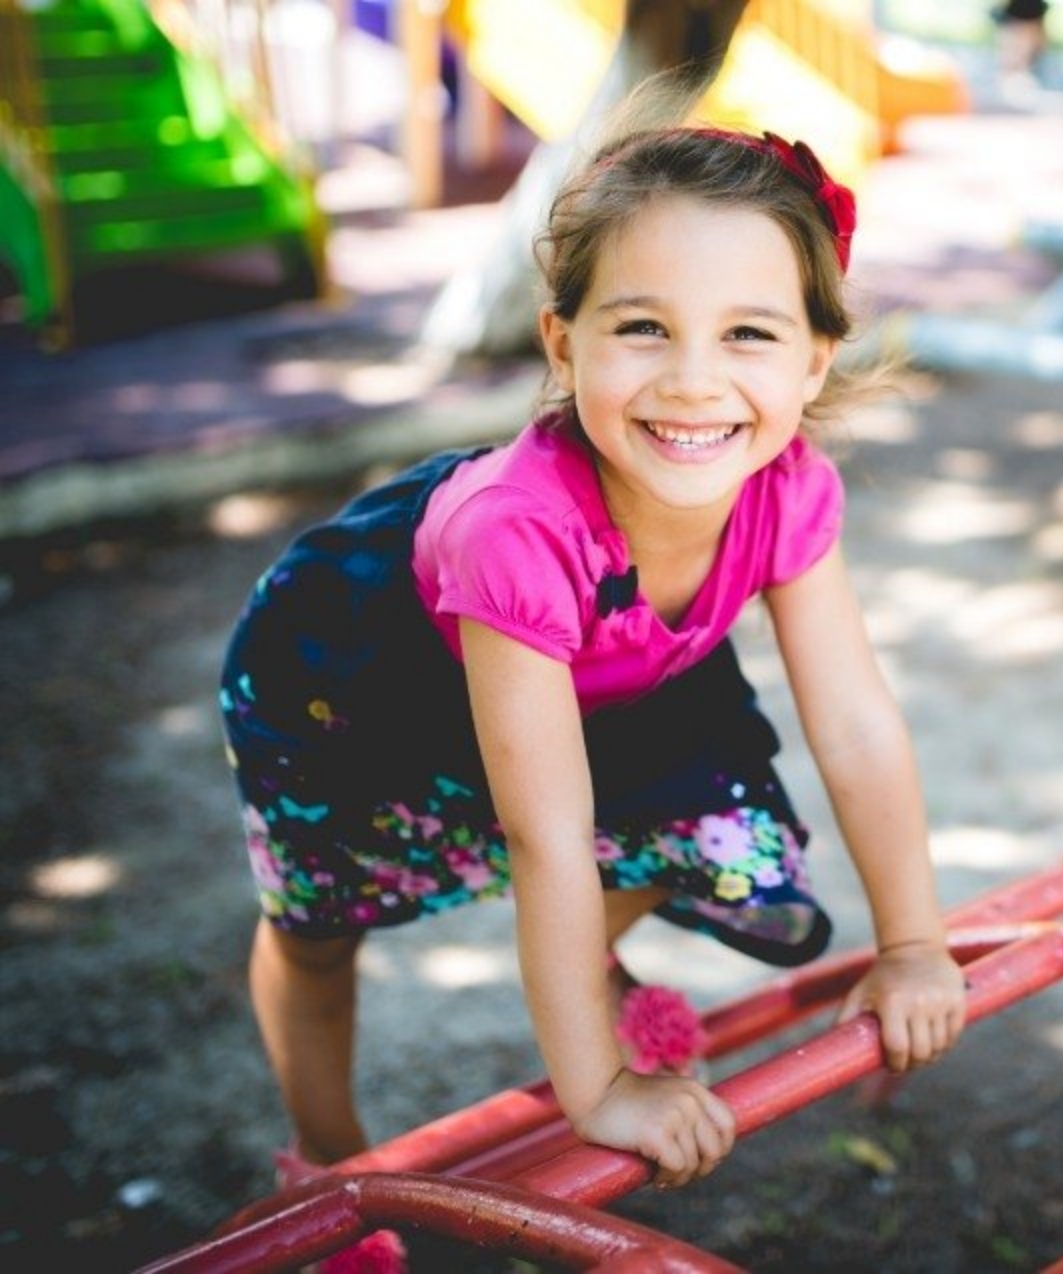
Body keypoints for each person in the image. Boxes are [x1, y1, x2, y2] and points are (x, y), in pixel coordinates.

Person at [218, 120, 968, 1213]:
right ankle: (324, 1164)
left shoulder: (787, 486)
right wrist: (599, 1086)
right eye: (643, 327)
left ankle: (590, 973)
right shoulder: (513, 529)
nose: (693, 381)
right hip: (349, 689)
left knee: (715, 833)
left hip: (602, 666)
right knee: (321, 929)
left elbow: (851, 723)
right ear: (563, 346)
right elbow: (545, 831)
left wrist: (911, 945)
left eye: (748, 333)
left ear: (813, 361)